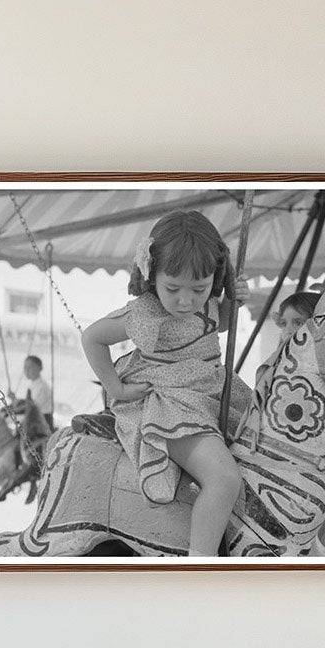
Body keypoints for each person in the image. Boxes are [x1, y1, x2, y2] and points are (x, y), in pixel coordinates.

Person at [81, 210, 247, 557]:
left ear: (214, 280)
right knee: (224, 480)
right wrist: (117, 389)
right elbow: (93, 338)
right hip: (172, 406)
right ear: (150, 274)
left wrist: (232, 301)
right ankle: (201, 562)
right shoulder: (143, 313)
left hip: (210, 392)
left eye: (199, 289)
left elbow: (218, 328)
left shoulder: (210, 304)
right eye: (172, 288)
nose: (185, 301)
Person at [21, 355, 54, 430]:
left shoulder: (42, 387)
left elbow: (33, 407)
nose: (27, 370)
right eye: (25, 367)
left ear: (40, 368)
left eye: (30, 367)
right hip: (34, 420)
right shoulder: (32, 385)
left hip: (42, 423)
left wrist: (14, 409)